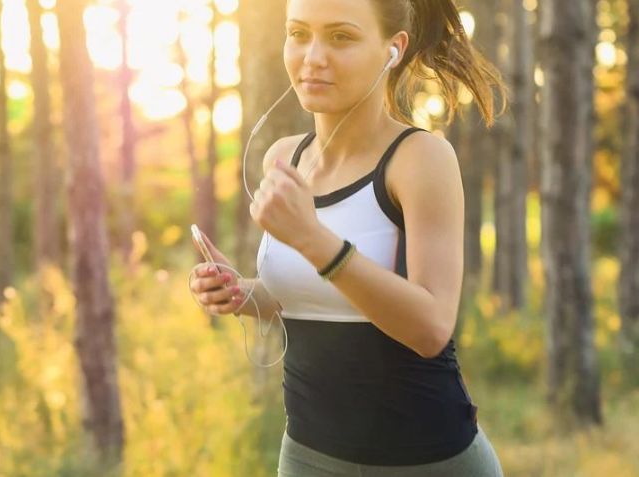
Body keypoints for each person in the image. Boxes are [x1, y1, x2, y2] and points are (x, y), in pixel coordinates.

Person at [189, 0, 507, 475]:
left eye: (340, 37)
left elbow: (431, 328)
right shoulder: (283, 158)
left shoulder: (420, 159)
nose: (312, 56)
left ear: (393, 49)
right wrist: (242, 292)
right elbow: (306, 298)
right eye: (298, 33)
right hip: (308, 456)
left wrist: (315, 240)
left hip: (429, 460)